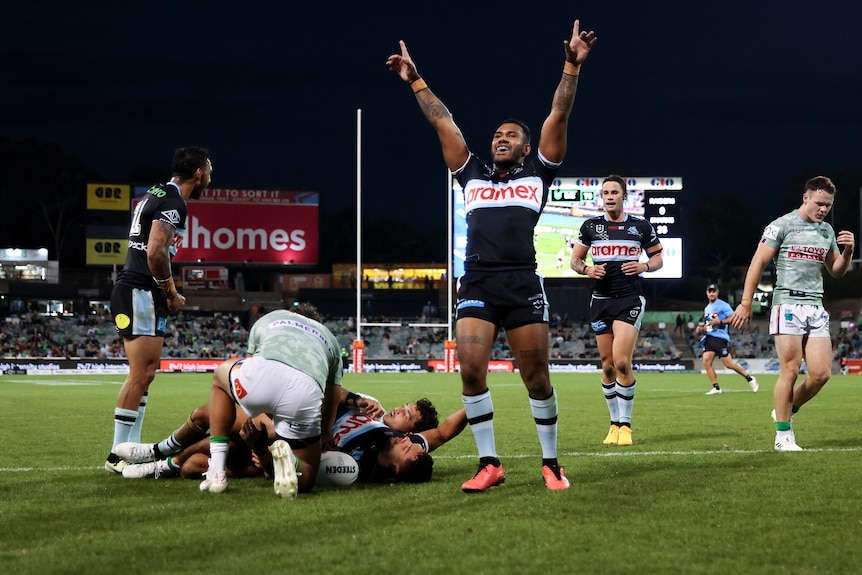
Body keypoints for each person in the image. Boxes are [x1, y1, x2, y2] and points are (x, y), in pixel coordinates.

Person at [386, 19, 597, 492]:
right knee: (471, 371)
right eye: (496, 135)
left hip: (522, 282)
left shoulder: (539, 172)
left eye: (510, 136)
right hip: (478, 281)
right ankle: (489, 463)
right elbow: (443, 120)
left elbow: (557, 117)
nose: (500, 139)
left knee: (536, 378)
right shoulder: (472, 174)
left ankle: (551, 465)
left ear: (526, 146)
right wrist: (416, 79)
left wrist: (571, 65)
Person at [105, 146, 213, 474]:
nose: (210, 176)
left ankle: (130, 450)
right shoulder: (174, 202)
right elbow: (155, 252)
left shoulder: (155, 192)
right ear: (198, 173)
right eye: (209, 170)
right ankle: (116, 456)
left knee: (146, 375)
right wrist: (171, 291)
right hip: (141, 289)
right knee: (142, 373)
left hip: (136, 289)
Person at [731, 176, 854, 451]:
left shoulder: (827, 232)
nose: (823, 209)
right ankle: (783, 436)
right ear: (806, 198)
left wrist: (848, 251)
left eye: (828, 205)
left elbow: (836, 271)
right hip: (787, 304)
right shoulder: (781, 226)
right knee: (790, 369)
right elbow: (757, 262)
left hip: (816, 306)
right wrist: (746, 302)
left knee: (821, 374)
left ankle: (788, 407)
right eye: (820, 203)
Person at [199, 302, 343, 498]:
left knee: (220, 378)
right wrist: (314, 438)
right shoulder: (330, 339)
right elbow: (330, 404)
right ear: (317, 323)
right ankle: (292, 461)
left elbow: (250, 362)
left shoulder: (271, 318)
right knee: (308, 475)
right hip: (304, 392)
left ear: (291, 314)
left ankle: (216, 471)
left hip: (261, 376)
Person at [569, 175, 664, 447]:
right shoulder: (590, 226)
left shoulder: (640, 227)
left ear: (624, 196)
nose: (609, 196)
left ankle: (626, 426)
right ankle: (613, 425)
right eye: (605, 192)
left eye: (614, 192)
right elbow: (576, 259)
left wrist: (644, 266)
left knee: (622, 360)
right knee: (608, 366)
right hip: (600, 300)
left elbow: (658, 257)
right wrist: (587, 269)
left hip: (629, 299)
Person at [696, 284, 758, 395]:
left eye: (713, 291)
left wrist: (719, 322)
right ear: (706, 293)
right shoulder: (707, 308)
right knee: (706, 361)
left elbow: (732, 318)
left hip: (720, 337)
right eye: (709, 291)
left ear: (717, 292)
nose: (711, 293)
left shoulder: (723, 305)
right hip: (710, 337)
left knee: (728, 364)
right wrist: (702, 328)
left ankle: (749, 378)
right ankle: (716, 387)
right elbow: (709, 324)